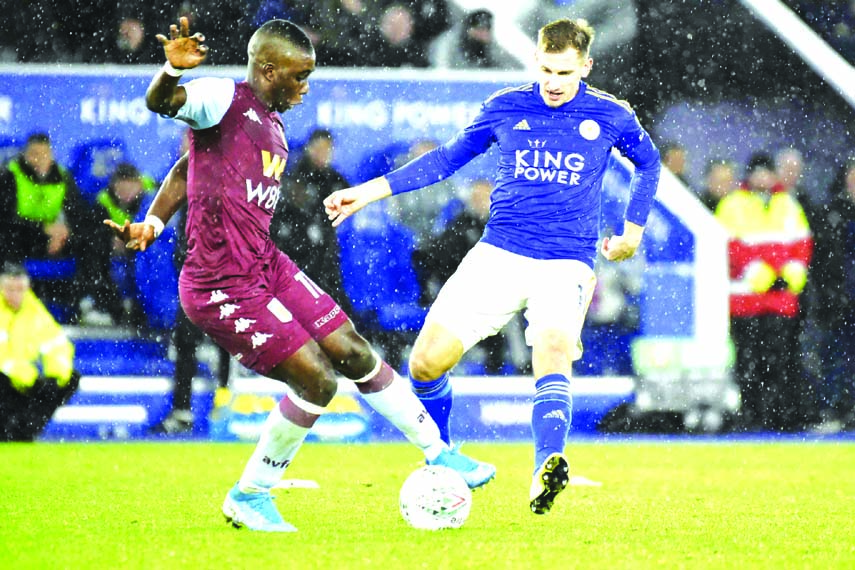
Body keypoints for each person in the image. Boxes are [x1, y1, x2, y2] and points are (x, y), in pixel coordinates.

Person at [105, 16, 493, 532]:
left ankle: (439, 452)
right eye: (299, 76)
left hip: (265, 262)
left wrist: (155, 218)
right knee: (317, 379)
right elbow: (161, 104)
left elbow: (185, 171)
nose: (306, 88)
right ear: (268, 70)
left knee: (353, 349)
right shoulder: (223, 98)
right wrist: (171, 72)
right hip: (218, 282)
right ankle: (250, 494)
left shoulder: (274, 121)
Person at [325, 18, 661, 515]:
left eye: (564, 72)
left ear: (585, 67)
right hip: (499, 254)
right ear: (536, 61)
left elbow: (649, 163)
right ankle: (441, 459)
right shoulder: (506, 106)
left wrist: (632, 231)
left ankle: (547, 464)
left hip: (565, 260)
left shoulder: (609, 115)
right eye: (545, 68)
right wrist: (368, 192)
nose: (552, 81)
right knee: (424, 362)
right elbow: (445, 160)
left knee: (553, 346)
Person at [715, 152, 813, 432]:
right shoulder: (732, 205)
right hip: (746, 301)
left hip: (780, 302)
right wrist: (759, 274)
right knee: (749, 362)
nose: (762, 178)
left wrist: (789, 275)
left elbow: (802, 244)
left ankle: (777, 417)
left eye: (766, 172)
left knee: (779, 362)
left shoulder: (788, 204)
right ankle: (752, 416)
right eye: (758, 172)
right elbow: (731, 246)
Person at [0, 262, 80, 441]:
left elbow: (57, 345)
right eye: (10, 289)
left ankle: (25, 429)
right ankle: (9, 428)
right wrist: (26, 375)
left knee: (70, 379)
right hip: (10, 379)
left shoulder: (35, 312)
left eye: (20, 289)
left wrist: (55, 375)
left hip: (25, 381)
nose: (16, 294)